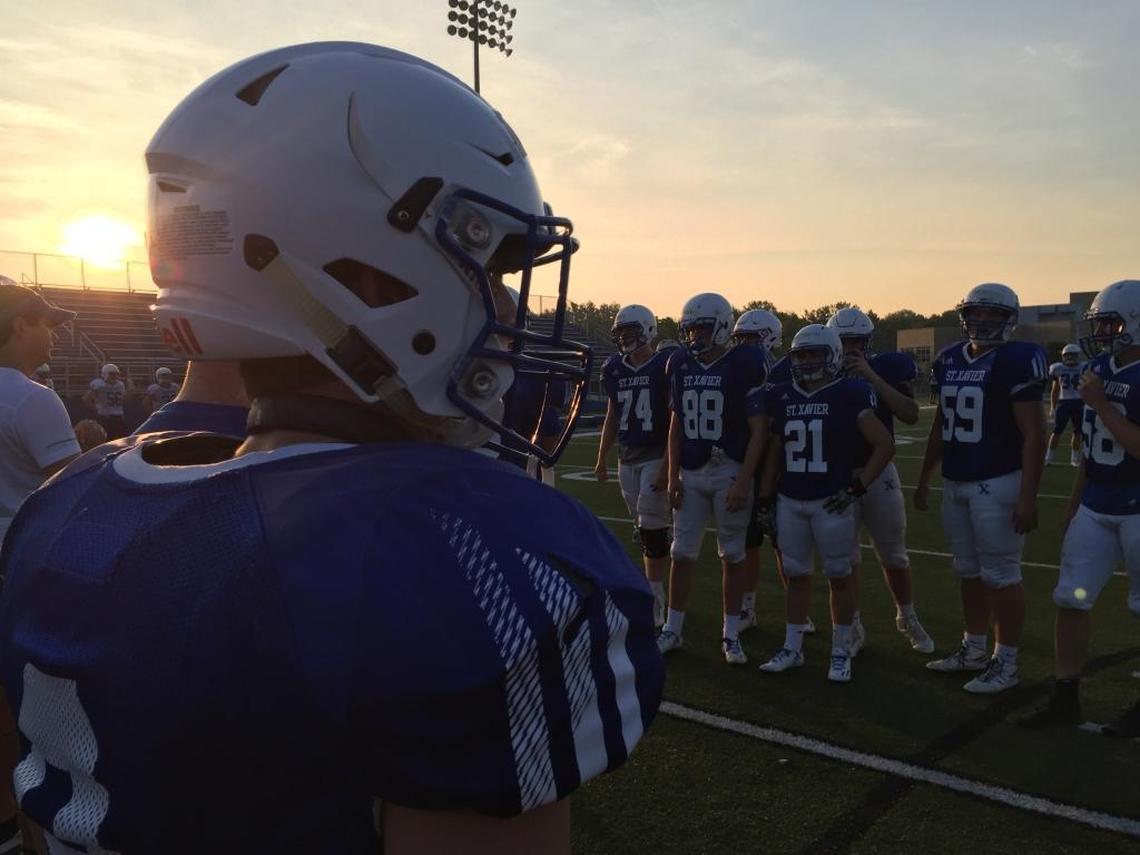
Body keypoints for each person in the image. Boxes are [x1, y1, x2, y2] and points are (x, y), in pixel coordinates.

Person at [0, 43, 662, 854]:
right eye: (483, 262)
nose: (508, 307)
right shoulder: (453, 549)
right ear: (371, 279)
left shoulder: (61, 505)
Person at [1019, 280, 1140, 734]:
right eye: (1100, 323)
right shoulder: (1096, 367)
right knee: (1070, 597)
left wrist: (1102, 405)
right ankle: (1065, 696)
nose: (1103, 331)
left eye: (1110, 322)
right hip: (1096, 502)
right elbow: (1091, 451)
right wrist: (1074, 506)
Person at [915, 283, 1047, 693]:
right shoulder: (950, 358)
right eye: (977, 312)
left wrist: (1028, 495)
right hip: (957, 479)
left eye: (992, 314)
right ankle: (973, 649)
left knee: (1002, 574)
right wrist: (924, 477)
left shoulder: (1017, 359)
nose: (982, 320)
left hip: (997, 480)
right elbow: (941, 424)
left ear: (1010, 319)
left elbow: (1035, 434)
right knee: (968, 571)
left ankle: (1005, 662)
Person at [756, 325, 895, 683]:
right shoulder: (784, 395)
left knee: (839, 576)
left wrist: (857, 487)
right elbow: (774, 452)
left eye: (815, 354)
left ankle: (840, 649)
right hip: (791, 498)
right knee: (797, 575)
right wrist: (766, 497)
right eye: (801, 355)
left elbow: (883, 444)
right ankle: (793, 647)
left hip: (831, 499)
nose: (807, 361)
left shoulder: (850, 392)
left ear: (832, 355)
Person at [0, 278, 80, 855]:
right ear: (16, 325)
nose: (50, 332)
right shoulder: (31, 397)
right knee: (31, 716)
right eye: (42, 321)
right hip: (20, 571)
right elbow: (74, 499)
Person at [655, 293, 768, 665]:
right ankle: (673, 629)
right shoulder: (680, 364)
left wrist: (743, 480)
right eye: (690, 329)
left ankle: (731, 634)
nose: (695, 336)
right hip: (690, 471)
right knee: (681, 553)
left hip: (727, 470)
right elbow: (675, 426)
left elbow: (758, 430)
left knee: (732, 554)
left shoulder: (744, 363)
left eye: (702, 328)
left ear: (721, 326)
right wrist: (672, 476)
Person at [826, 307, 934, 654]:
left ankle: (907, 616)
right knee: (846, 559)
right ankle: (852, 624)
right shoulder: (818, 372)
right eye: (844, 342)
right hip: (837, 474)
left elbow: (910, 414)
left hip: (878, 471)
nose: (850, 349)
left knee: (895, 555)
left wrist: (870, 376)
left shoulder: (885, 367)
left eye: (856, 342)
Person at [595, 305, 672, 628]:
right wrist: (602, 457)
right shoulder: (615, 368)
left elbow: (673, 421)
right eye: (621, 332)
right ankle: (653, 590)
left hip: (654, 454)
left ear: (648, 330)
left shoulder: (664, 366)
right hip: (626, 458)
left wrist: (668, 465)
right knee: (644, 530)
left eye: (631, 330)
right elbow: (612, 414)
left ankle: (656, 602)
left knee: (652, 532)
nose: (625, 336)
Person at [730, 309, 783, 632]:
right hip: (747, 461)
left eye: (753, 337)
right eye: (742, 338)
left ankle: (798, 611)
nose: (747, 344)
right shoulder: (738, 373)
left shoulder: (786, 372)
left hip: (780, 465)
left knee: (784, 541)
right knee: (748, 541)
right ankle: (748, 606)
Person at [1045, 343, 1086, 466]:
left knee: (1077, 432)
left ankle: (1074, 458)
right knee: (1057, 431)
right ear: (1063, 356)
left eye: (1073, 356)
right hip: (1064, 402)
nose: (1071, 358)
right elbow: (1055, 389)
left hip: (1079, 402)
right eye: (1069, 355)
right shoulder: (1057, 368)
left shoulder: (1084, 367)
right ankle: (1049, 457)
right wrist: (1053, 407)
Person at [83, 362, 127, 439]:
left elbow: (123, 401)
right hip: (105, 418)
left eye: (116, 374)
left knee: (122, 440)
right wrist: (97, 410)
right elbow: (86, 398)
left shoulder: (120, 385)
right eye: (112, 374)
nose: (114, 376)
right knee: (107, 440)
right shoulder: (100, 384)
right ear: (105, 374)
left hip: (119, 417)